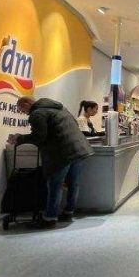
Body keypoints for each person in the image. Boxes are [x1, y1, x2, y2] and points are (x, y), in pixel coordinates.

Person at [10, 96, 94, 227]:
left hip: (62, 152)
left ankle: (50, 218)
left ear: (27, 104)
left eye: (22, 110)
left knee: (55, 184)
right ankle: (68, 212)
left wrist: (19, 138)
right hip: (78, 149)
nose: (24, 113)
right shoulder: (61, 108)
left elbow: (39, 137)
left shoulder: (37, 114)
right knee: (73, 183)